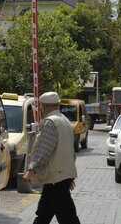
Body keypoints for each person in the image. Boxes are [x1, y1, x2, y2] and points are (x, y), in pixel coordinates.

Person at [22, 91, 80, 224]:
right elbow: (70, 152)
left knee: (67, 216)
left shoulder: (50, 122)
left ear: (44, 106)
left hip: (56, 177)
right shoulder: (65, 121)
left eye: (41, 106)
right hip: (59, 176)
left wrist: (31, 170)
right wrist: (68, 175)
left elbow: (44, 150)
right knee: (44, 213)